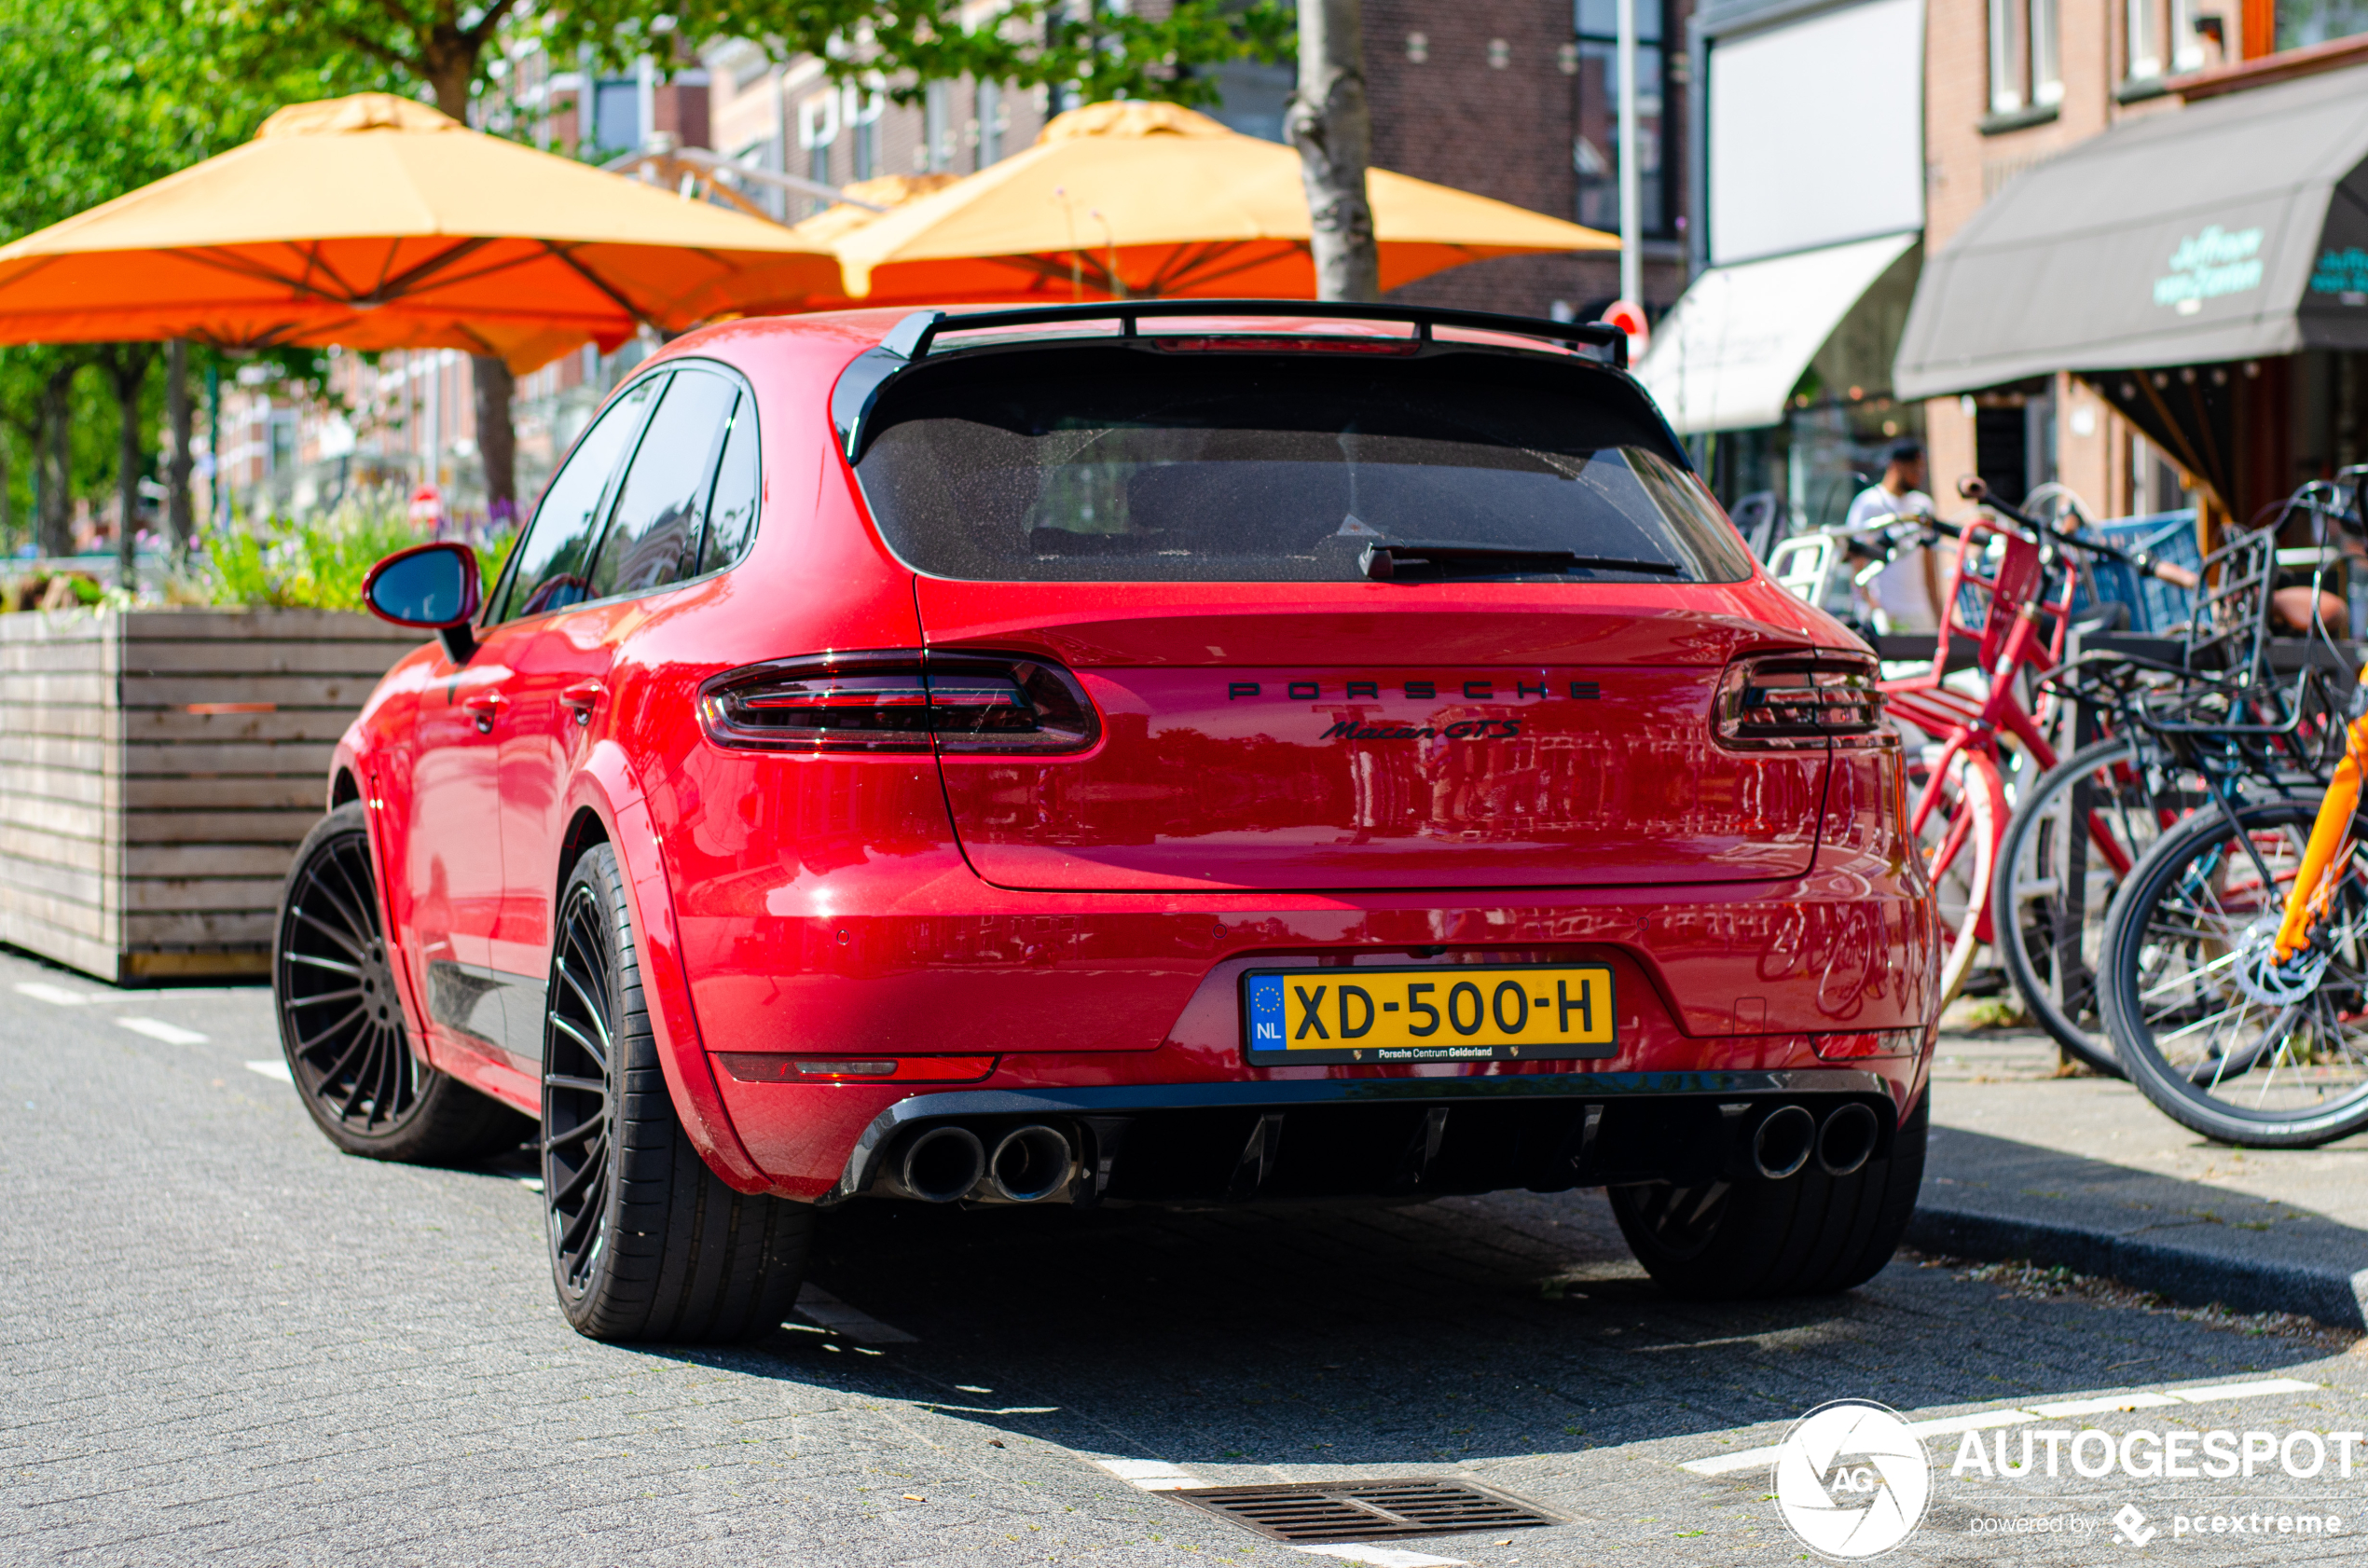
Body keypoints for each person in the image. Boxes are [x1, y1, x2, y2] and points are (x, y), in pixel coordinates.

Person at [1844, 440, 1941, 633]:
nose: (1918, 476)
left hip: (1920, 613)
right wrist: (1870, 605)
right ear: (1896, 465)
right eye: (1913, 469)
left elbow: (1930, 564)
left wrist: (1939, 613)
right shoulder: (1868, 503)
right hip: (1884, 613)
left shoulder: (1922, 505)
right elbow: (1857, 561)